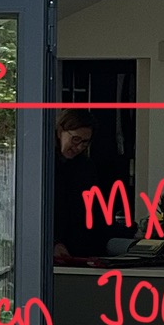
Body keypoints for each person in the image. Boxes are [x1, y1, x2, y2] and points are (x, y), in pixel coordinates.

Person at [51, 108, 113, 265]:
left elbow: (94, 211)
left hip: (79, 250)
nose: (79, 147)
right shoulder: (44, 164)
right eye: (75, 139)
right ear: (60, 132)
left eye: (85, 142)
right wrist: (53, 242)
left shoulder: (85, 167)